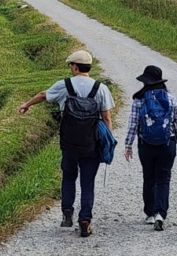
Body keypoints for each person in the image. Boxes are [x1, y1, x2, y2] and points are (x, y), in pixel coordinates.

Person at [18, 50, 114, 237]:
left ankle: (67, 213)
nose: (71, 68)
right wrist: (108, 141)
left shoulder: (65, 85)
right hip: (91, 144)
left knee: (69, 177)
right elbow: (107, 117)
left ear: (75, 67)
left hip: (69, 143)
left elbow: (43, 94)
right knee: (87, 183)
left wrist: (26, 105)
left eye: (71, 65)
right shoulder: (100, 88)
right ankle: (85, 219)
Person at [124, 65, 177, 231]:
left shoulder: (139, 100)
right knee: (163, 179)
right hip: (167, 143)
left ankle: (150, 213)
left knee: (149, 177)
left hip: (146, 144)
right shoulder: (171, 99)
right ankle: (160, 213)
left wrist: (128, 145)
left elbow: (133, 124)